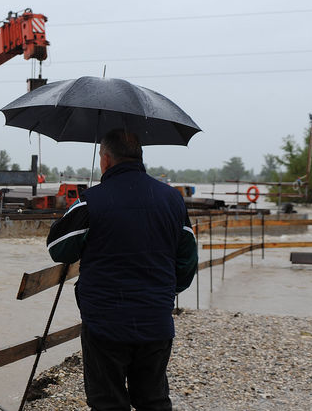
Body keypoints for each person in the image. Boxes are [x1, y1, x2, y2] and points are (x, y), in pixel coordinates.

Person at [46, 129, 198, 410]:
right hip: (156, 319)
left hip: (105, 323)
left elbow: (59, 248)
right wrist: (163, 292)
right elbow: (188, 261)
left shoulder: (92, 200)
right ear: (139, 156)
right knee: (153, 400)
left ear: (105, 159)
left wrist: (75, 211)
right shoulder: (172, 199)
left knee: (108, 402)